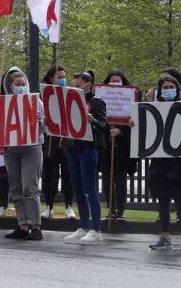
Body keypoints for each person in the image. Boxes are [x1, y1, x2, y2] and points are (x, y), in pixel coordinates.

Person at [148, 74, 181, 251]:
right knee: (163, 201)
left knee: (180, 201)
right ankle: (165, 236)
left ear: (177, 89)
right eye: (165, 87)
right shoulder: (153, 108)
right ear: (160, 90)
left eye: (171, 87)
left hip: (179, 164)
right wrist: (134, 123)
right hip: (160, 163)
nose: (168, 90)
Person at [0, 66, 46, 241]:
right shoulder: (3, 104)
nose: (21, 86)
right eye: (17, 84)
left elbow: (44, 129)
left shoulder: (36, 102)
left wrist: (39, 122)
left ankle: (35, 225)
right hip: (11, 149)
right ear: (10, 86)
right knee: (16, 188)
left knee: (30, 187)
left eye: (23, 83)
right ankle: (22, 224)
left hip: (31, 148)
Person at [63, 72, 107, 245]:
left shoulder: (96, 102)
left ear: (89, 84)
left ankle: (96, 229)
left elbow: (103, 125)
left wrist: (93, 120)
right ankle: (83, 226)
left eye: (79, 86)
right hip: (72, 147)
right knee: (78, 190)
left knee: (90, 189)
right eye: (73, 85)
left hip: (88, 148)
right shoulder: (68, 101)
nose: (76, 88)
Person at [40, 65, 76, 220]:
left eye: (63, 76)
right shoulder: (43, 97)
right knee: (49, 174)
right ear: (51, 79)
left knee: (69, 174)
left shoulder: (71, 94)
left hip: (67, 141)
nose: (62, 79)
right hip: (50, 141)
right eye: (59, 77)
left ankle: (69, 206)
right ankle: (48, 206)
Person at [101, 68, 138, 220]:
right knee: (107, 182)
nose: (115, 83)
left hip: (122, 149)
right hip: (106, 147)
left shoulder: (131, 99)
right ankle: (111, 210)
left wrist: (122, 130)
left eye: (118, 80)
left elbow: (135, 124)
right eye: (112, 80)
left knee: (120, 181)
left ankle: (120, 210)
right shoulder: (101, 98)